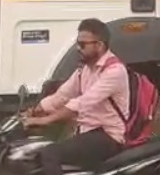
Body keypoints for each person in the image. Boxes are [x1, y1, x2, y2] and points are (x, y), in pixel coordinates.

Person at [24, 18, 129, 174]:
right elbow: (61, 96)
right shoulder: (85, 70)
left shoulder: (114, 72)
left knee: (50, 153)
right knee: (31, 152)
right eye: (77, 44)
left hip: (107, 137)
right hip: (87, 133)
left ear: (99, 45)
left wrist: (45, 120)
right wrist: (35, 110)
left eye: (82, 45)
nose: (77, 48)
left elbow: (81, 104)